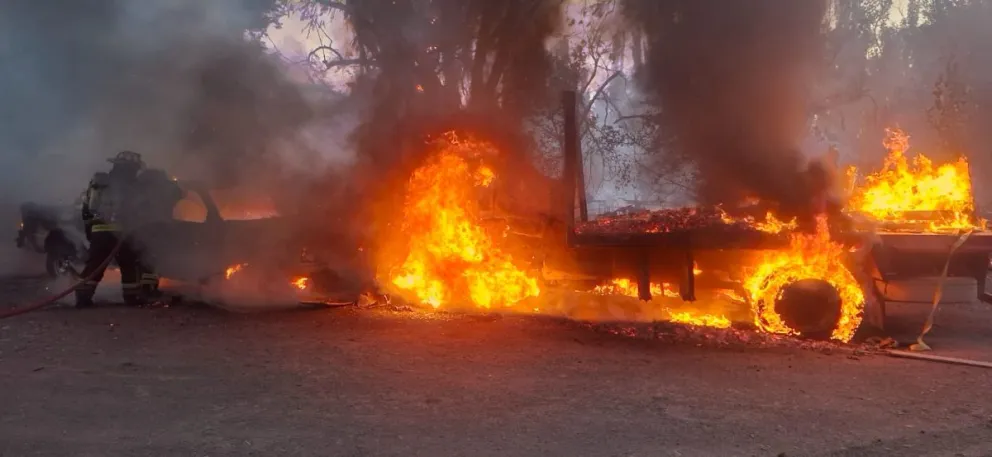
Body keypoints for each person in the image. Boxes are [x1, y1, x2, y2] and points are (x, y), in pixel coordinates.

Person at [75, 151, 144, 308]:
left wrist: (90, 229)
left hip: (100, 232)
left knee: (95, 266)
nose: (135, 172)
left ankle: (83, 298)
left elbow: (86, 208)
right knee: (129, 265)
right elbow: (135, 209)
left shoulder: (100, 182)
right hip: (122, 233)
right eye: (134, 168)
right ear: (129, 168)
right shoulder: (131, 185)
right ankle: (132, 299)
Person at [132, 168, 185, 299]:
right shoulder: (167, 190)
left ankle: (144, 289)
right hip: (160, 228)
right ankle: (148, 290)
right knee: (152, 260)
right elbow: (181, 194)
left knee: (144, 260)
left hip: (143, 229)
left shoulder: (141, 191)